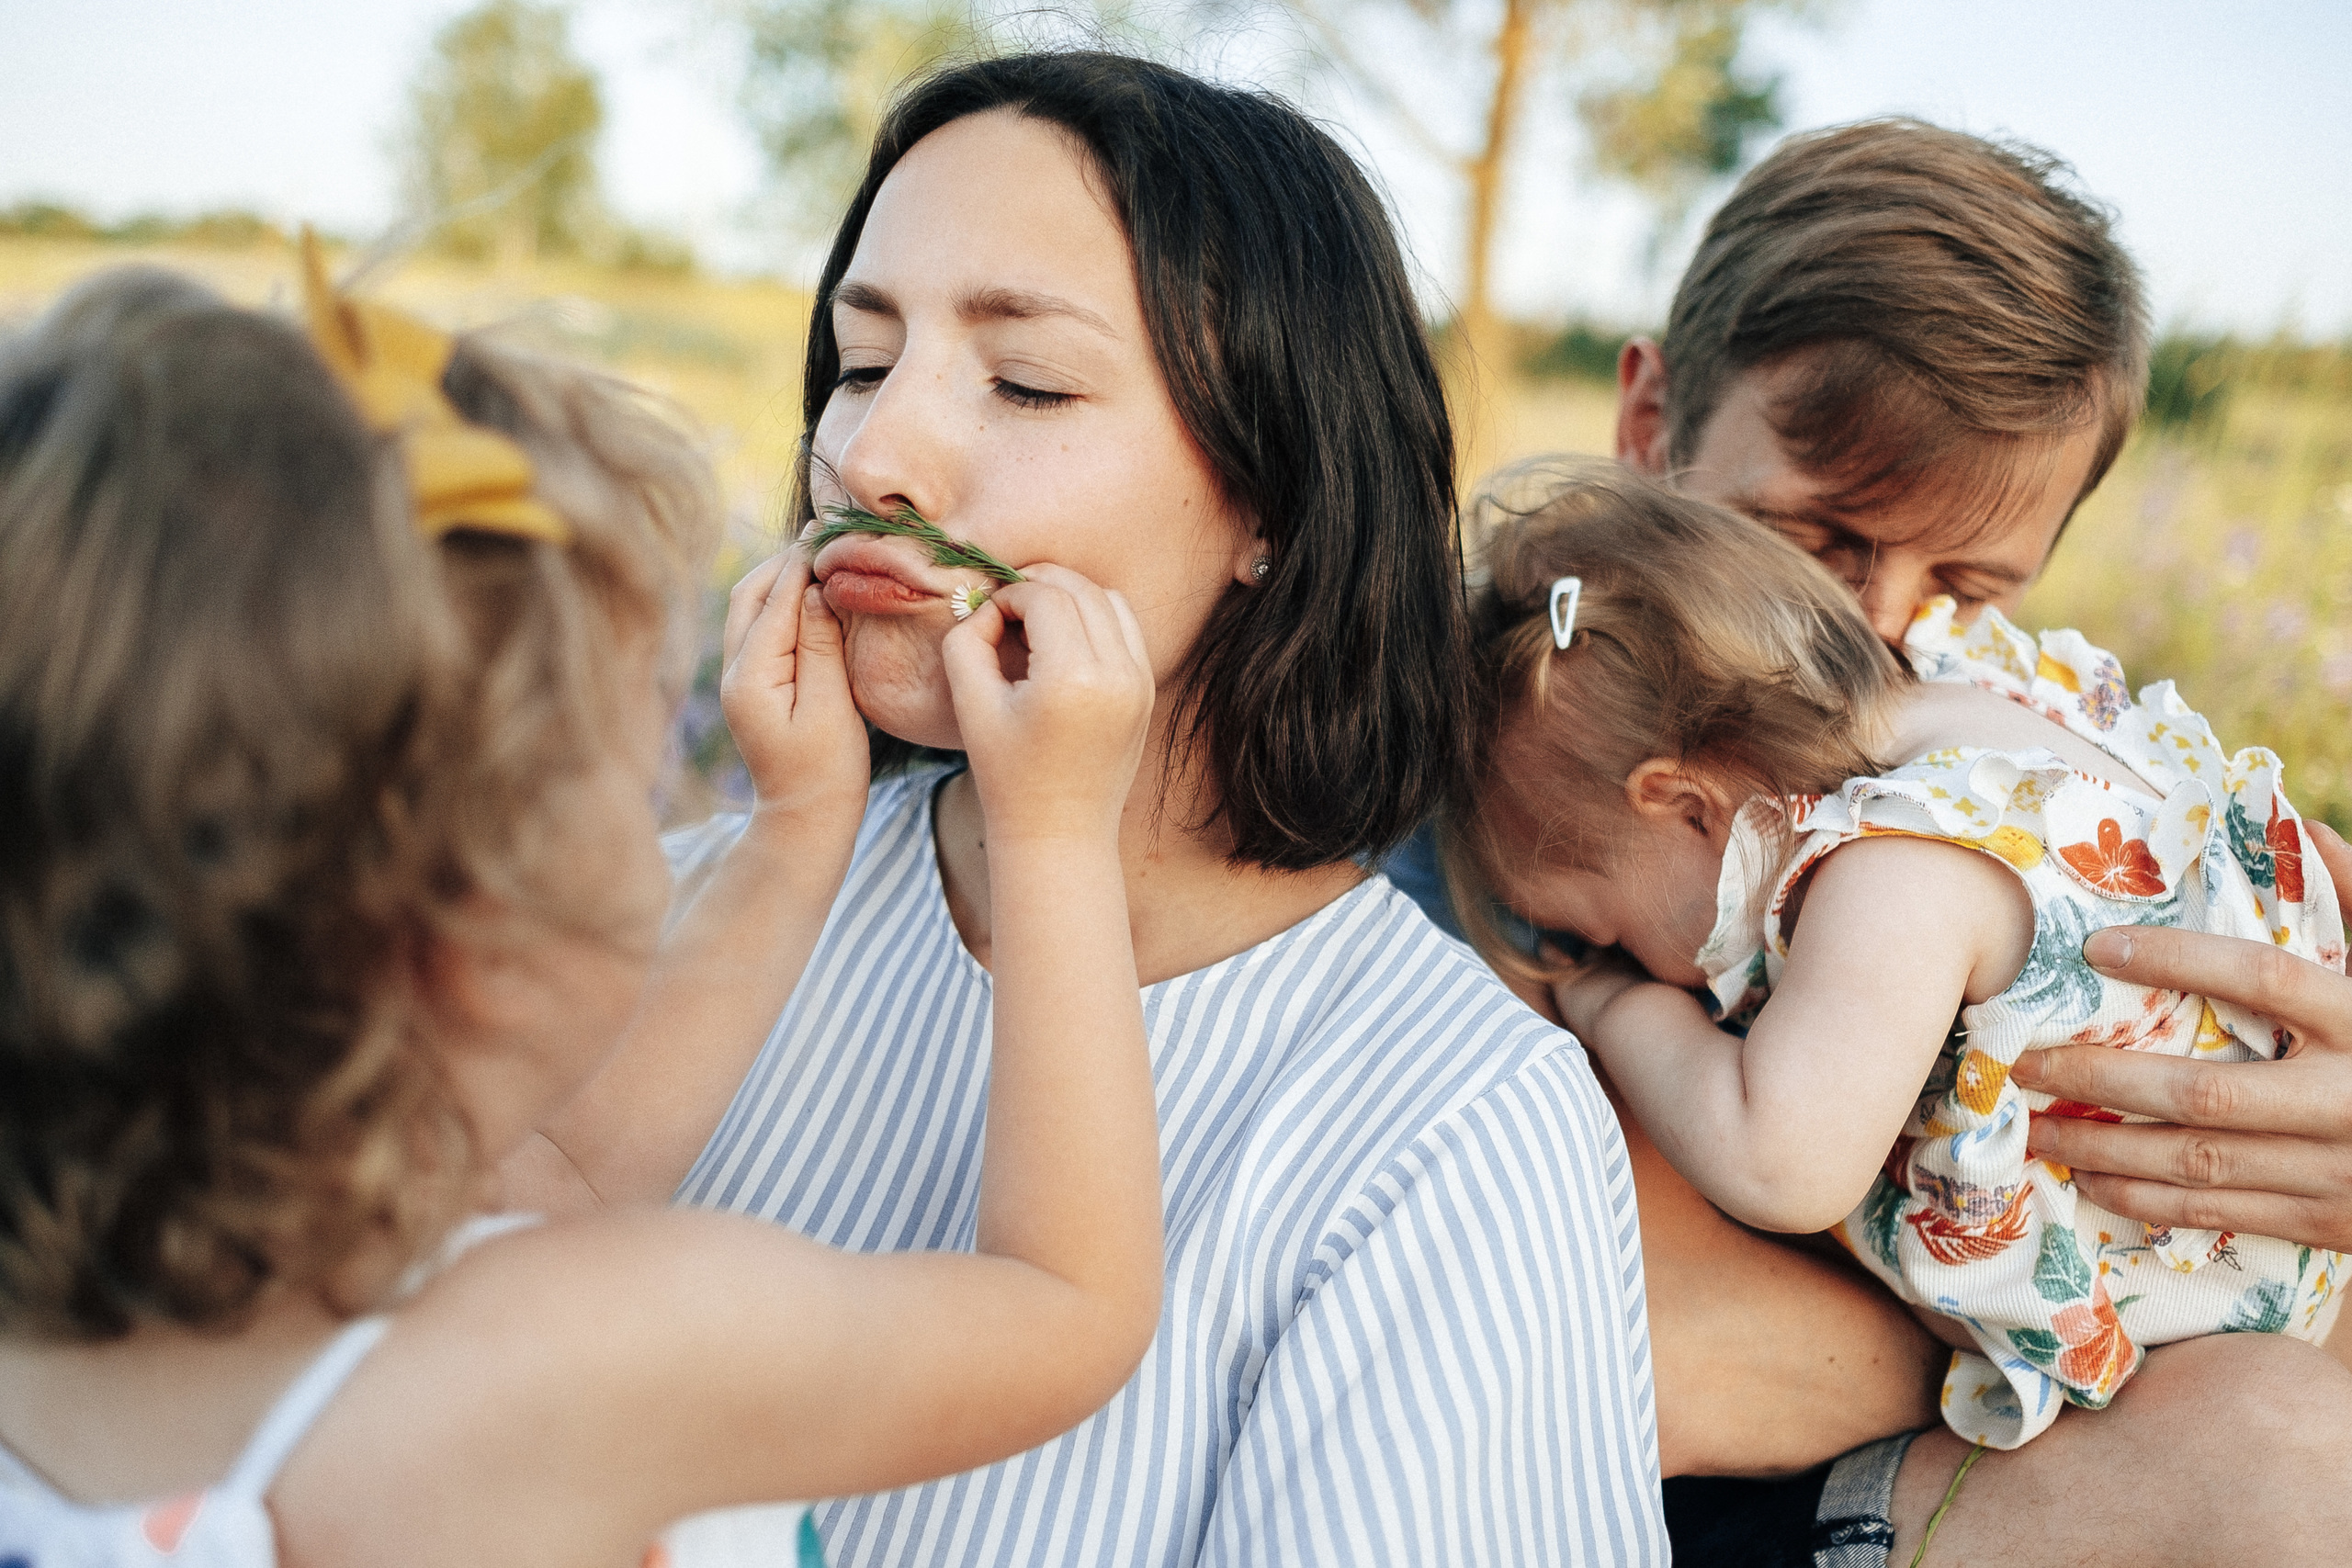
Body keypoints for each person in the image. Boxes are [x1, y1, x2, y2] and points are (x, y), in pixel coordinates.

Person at [520, 51, 1668, 1568]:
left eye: (1027, 381)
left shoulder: (1455, 1137)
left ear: (1275, 500)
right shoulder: (677, 907)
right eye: (862, 364)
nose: (871, 459)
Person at [0, 252, 1171, 1563]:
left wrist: (795, 835)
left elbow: (555, 1170)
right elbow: (1063, 1305)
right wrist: (1057, 828)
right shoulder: (573, 1360)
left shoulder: (101, 1324)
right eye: (642, 779)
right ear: (483, 931)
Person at [1386, 116, 2352, 1561]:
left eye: (1967, 577)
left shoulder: (1993, 789)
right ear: (1649, 424)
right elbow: (1673, 1336)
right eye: (1817, 538)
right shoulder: (1523, 793)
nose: (1881, 628)